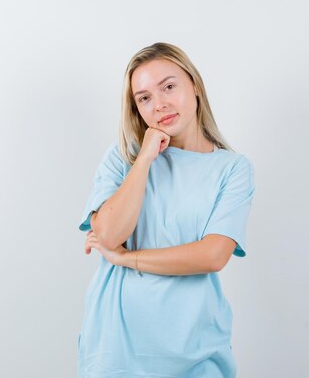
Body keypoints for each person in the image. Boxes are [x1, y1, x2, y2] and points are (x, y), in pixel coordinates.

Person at [77, 42, 256, 378]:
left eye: (169, 87)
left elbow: (213, 255)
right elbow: (109, 234)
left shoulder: (233, 169)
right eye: (144, 98)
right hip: (115, 353)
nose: (159, 104)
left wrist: (126, 258)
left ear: (195, 86)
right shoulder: (123, 158)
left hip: (195, 354)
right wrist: (144, 158)